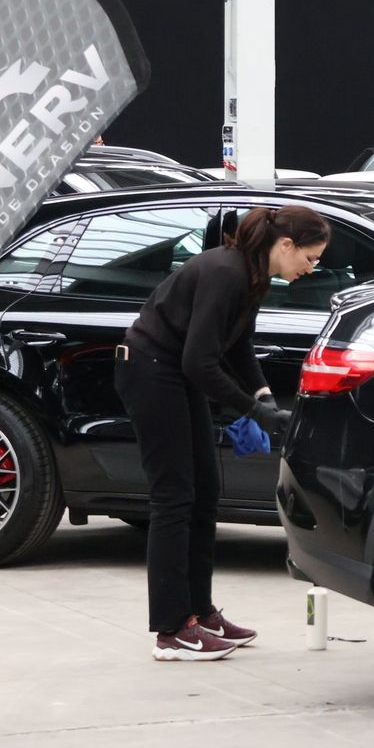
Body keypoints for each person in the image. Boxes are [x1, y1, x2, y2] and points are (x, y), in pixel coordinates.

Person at [114, 205, 330, 660]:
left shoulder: (253, 275)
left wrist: (265, 396)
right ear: (285, 245)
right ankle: (172, 629)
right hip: (151, 371)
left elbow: (237, 345)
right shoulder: (226, 272)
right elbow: (199, 361)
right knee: (174, 498)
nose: (310, 270)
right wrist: (253, 409)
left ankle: (200, 611)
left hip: (173, 373)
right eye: (309, 259)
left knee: (205, 490)